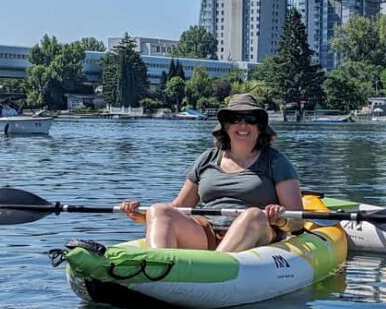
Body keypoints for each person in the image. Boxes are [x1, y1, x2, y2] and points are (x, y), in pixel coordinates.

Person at [120, 93, 303, 251]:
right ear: (226, 126)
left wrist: (279, 218)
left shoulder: (276, 162)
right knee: (159, 210)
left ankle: (217, 267)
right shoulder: (207, 158)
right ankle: (157, 266)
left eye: (250, 120)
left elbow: (297, 221)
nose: (243, 125)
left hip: (256, 231)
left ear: (260, 126)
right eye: (235, 120)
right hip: (206, 231)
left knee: (252, 214)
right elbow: (179, 207)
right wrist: (143, 214)